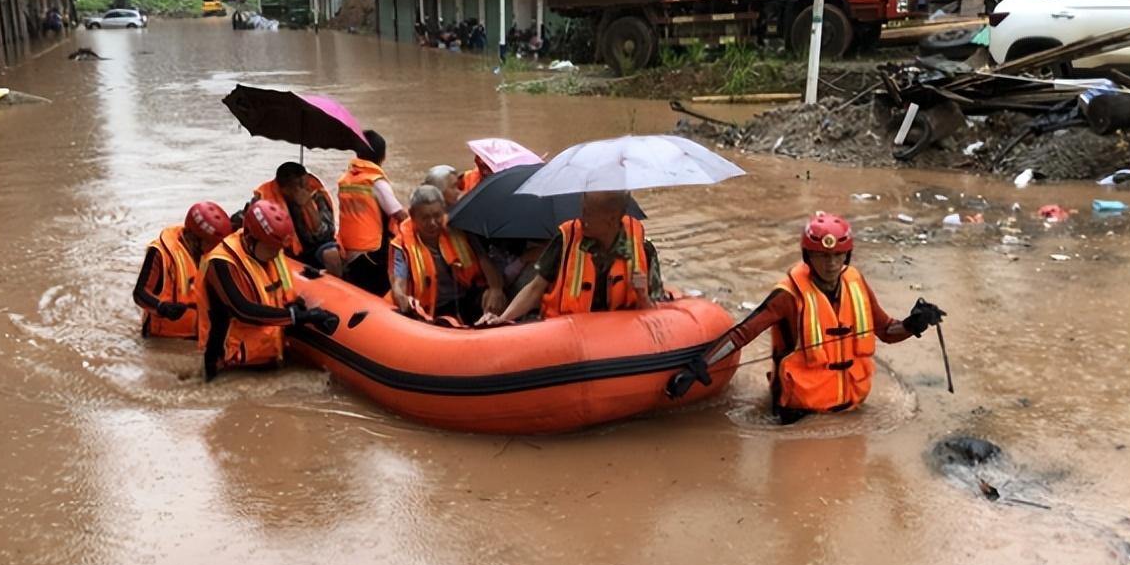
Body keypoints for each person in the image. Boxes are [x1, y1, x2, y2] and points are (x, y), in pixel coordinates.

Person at [666, 212, 946, 424]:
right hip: (797, 415)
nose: (831, 264)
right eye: (822, 256)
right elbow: (742, 334)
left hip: (852, 410)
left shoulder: (857, 284)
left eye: (838, 256)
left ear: (847, 256)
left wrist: (913, 323)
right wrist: (697, 368)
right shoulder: (788, 296)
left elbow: (886, 330)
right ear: (807, 256)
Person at [196, 200, 339, 380]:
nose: (276, 253)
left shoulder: (271, 254)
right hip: (231, 365)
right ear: (251, 238)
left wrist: (298, 308)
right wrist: (297, 317)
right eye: (271, 247)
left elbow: (279, 293)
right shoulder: (221, 263)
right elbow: (243, 310)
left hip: (266, 355)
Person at [483, 190, 662, 323]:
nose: (581, 218)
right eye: (582, 210)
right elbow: (535, 288)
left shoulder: (643, 249)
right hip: (568, 333)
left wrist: (642, 296)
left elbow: (658, 312)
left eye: (588, 213)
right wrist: (503, 319)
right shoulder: (566, 239)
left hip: (620, 335)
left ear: (611, 219)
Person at [390, 186, 507, 325]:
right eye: (425, 218)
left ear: (444, 211)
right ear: (412, 215)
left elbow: (482, 257)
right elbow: (398, 282)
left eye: (437, 215)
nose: (433, 223)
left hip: (465, 296)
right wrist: (403, 300)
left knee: (495, 297)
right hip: (431, 307)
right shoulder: (403, 244)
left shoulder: (458, 227)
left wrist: (496, 288)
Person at [133, 201, 232, 339]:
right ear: (194, 238)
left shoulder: (215, 256)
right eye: (211, 244)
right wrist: (162, 308)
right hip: (164, 341)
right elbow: (139, 294)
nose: (215, 249)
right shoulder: (160, 253)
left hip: (200, 338)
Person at [336, 130, 407, 295]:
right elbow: (398, 214)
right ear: (382, 156)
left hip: (348, 250)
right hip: (372, 252)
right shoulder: (375, 182)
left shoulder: (345, 179)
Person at [252, 162, 340, 274]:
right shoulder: (264, 199)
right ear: (284, 189)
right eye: (298, 186)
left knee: (331, 255)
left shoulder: (315, 193)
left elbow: (327, 234)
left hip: (314, 246)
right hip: (282, 249)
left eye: (304, 183)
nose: (304, 188)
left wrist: (308, 205)